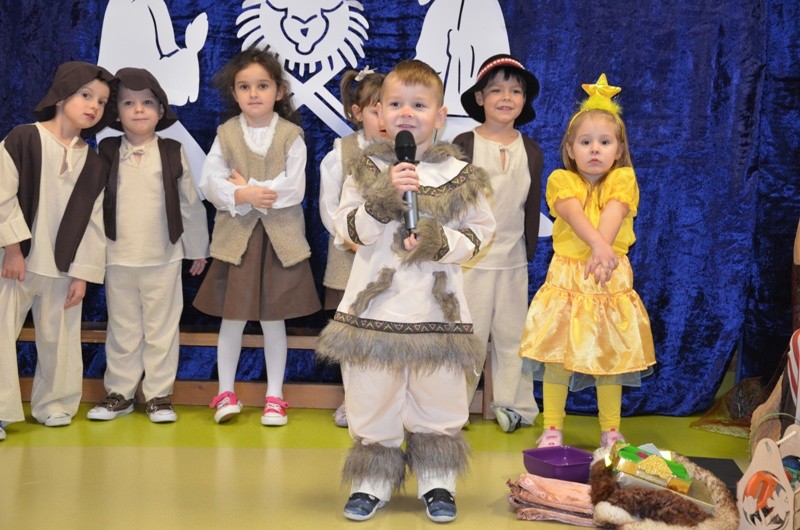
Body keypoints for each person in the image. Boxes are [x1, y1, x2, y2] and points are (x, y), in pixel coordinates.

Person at [316, 59, 496, 523]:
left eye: (419, 105)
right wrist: (382, 199)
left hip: (436, 313)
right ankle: (372, 480)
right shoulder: (365, 168)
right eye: (395, 104)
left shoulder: (460, 174)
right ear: (379, 111)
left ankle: (438, 481)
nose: (407, 113)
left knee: (438, 398)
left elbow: (480, 233)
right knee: (371, 394)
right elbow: (347, 230)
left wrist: (439, 240)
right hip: (376, 311)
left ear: (440, 116)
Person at [518, 74, 656, 449]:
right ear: (570, 148)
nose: (595, 149)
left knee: (610, 356)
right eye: (585, 142)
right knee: (557, 355)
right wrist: (598, 247)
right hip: (569, 276)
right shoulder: (561, 180)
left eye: (604, 142)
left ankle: (610, 430)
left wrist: (603, 251)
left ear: (619, 149)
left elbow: (614, 212)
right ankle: (552, 426)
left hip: (609, 274)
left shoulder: (623, 179)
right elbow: (573, 214)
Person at [193, 47, 321, 427]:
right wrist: (240, 195)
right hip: (237, 244)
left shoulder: (291, 136)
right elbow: (209, 182)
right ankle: (226, 392)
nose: (253, 93)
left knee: (273, 321)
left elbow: (294, 188)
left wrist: (246, 188)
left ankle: (275, 396)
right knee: (231, 319)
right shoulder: (226, 134)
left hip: (280, 244)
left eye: (262, 86)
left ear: (279, 91)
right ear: (234, 93)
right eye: (244, 86)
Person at [87, 68, 209, 424]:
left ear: (160, 110)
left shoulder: (172, 151)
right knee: (122, 330)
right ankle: (120, 393)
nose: (138, 110)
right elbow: (93, 203)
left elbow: (190, 203)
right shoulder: (108, 149)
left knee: (161, 330)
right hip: (117, 257)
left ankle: (158, 395)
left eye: (147, 103)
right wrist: (91, 251)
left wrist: (197, 248)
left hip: (163, 257)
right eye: (128, 103)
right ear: (116, 112)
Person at [0, 61, 116, 436]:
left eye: (102, 101)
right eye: (86, 95)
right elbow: (2, 194)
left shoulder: (94, 163)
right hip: (15, 261)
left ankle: (55, 404)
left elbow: (95, 224)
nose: (94, 106)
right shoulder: (23, 138)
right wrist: (12, 248)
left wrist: (82, 274)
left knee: (61, 337)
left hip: (63, 267)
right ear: (62, 95)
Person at [453, 53, 542, 433]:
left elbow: (530, 205)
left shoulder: (531, 149)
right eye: (496, 90)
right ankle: (451, 408)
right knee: (467, 337)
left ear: (524, 100)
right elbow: (452, 202)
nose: (506, 97)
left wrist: (528, 250)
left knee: (513, 336)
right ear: (480, 98)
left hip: (513, 260)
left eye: (515, 91)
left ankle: (514, 405)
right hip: (471, 261)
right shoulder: (465, 143)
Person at [319, 66, 386, 428]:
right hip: (351, 260)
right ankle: (352, 400)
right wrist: (350, 240)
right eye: (376, 110)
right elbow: (330, 207)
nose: (384, 119)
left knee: (386, 332)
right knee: (353, 336)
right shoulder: (341, 153)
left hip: (390, 262)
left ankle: (387, 403)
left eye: (390, 108)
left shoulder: (407, 153)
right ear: (358, 113)